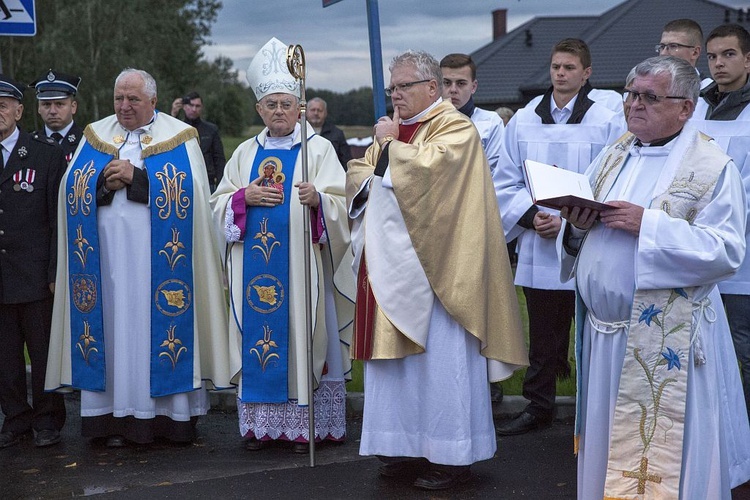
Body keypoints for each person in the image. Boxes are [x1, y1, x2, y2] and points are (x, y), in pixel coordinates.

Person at [560, 55, 750, 499]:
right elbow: (581, 238)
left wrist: (649, 225)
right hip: (603, 337)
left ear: (685, 107)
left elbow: (725, 251)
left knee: (662, 459)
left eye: (649, 97)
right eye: (631, 95)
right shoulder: (614, 155)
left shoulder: (711, 167)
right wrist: (576, 227)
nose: (634, 105)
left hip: (667, 342)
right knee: (607, 452)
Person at [347, 50, 528, 491]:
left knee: (441, 366)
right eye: (392, 88)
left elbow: (432, 177)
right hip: (389, 268)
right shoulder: (394, 130)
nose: (396, 95)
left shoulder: (455, 127)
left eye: (404, 87)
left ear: (431, 88)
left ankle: (451, 455)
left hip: (440, 275)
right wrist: (380, 159)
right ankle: (401, 447)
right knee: (397, 373)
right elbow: (359, 172)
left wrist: (389, 148)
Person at [45, 68, 232, 448]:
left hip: (159, 267)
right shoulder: (96, 134)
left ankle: (171, 419)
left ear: (154, 102)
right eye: (119, 98)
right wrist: (101, 183)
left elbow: (194, 195)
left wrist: (137, 178)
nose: (124, 106)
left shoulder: (179, 136)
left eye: (133, 99)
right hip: (105, 267)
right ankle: (109, 418)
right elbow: (70, 190)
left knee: (157, 328)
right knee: (111, 330)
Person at [210, 37, 355, 455]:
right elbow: (218, 205)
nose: (278, 111)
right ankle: (261, 426)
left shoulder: (319, 148)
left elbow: (343, 208)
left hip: (304, 272)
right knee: (260, 338)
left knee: (303, 335)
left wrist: (319, 203)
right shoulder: (243, 153)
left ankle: (305, 425)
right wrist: (243, 200)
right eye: (270, 104)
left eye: (286, 104)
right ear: (259, 109)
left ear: (300, 108)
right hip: (255, 275)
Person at [494, 38, 625, 436]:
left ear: (586, 74)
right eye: (555, 67)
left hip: (587, 240)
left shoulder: (606, 119)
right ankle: (538, 405)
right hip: (539, 244)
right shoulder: (524, 118)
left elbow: (614, 178)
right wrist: (533, 218)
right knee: (544, 333)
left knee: (590, 328)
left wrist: (569, 223)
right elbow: (505, 179)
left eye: (569, 67)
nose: (560, 74)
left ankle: (594, 409)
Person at [0, 75, 67, 449]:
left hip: (36, 274)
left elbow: (57, 221)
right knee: (5, 357)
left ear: (19, 110)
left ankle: (48, 420)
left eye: (3, 105)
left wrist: (55, 271)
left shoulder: (44, 154)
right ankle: (15, 418)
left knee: (42, 353)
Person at [691, 23, 750, 420]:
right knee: (704, 343)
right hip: (695, 242)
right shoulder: (694, 106)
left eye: (728, 55)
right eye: (712, 56)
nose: (719, 63)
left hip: (742, 245)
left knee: (741, 345)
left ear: (748, 58)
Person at [440, 53, 504, 172]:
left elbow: (495, 174)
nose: (453, 90)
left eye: (461, 83)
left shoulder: (491, 123)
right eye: (447, 83)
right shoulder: (426, 122)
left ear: (473, 87)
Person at [171, 91, 226, 192]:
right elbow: (166, 144)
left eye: (197, 106)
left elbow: (219, 159)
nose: (194, 109)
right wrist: (173, 114)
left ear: (202, 107)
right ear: (184, 106)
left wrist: (221, 185)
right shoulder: (177, 128)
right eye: (191, 105)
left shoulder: (211, 130)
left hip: (208, 183)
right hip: (183, 182)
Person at [29, 69, 84, 163]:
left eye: (59, 104)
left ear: (73, 107)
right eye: (46, 104)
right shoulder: (29, 143)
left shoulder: (85, 142)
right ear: (39, 108)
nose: (53, 111)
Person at [657, 18, 713, 88]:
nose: (663, 53)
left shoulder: (712, 94)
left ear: (695, 52)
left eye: (673, 46)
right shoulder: (649, 88)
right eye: (662, 46)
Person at [307, 97, 352, 171]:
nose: (316, 113)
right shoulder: (299, 133)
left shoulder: (337, 134)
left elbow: (346, 162)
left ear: (325, 113)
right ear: (306, 112)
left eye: (319, 110)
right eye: (313, 110)